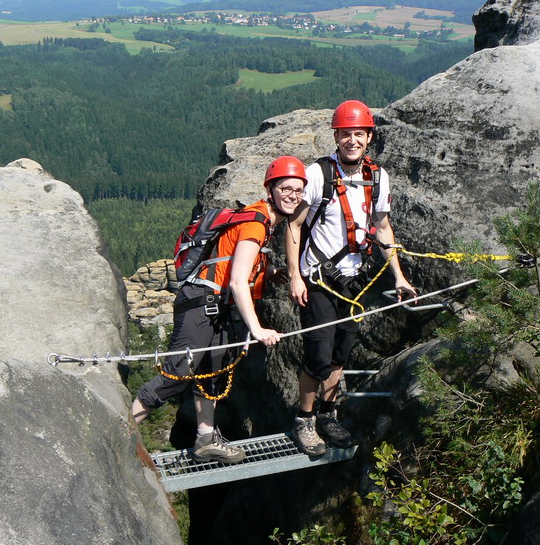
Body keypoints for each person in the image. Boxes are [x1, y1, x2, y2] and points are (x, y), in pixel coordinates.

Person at [131, 156, 307, 463]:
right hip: (201, 303)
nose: (293, 195)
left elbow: (230, 266)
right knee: (177, 373)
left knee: (210, 373)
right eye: (286, 188)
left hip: (214, 307)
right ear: (271, 189)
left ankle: (206, 439)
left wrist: (267, 274)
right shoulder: (256, 222)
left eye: (298, 190)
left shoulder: (260, 220)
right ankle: (120, 430)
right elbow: (238, 282)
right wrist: (257, 329)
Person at [285, 100, 416, 456]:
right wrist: (296, 276)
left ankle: (328, 414)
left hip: (353, 282)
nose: (352, 140)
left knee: (341, 355)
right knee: (318, 356)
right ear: (336, 136)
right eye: (346, 134)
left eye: (358, 133)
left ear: (369, 137)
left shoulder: (377, 177)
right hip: (319, 280)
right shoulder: (319, 174)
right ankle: (305, 420)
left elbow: (383, 226)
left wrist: (399, 277)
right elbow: (294, 224)